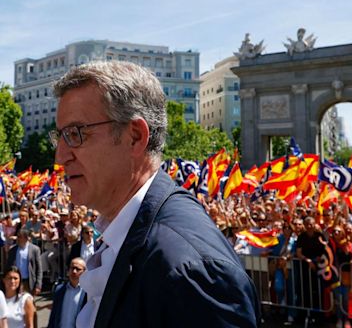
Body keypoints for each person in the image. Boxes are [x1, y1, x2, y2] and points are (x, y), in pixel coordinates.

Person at [50, 61, 259, 327]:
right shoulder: (129, 236)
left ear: (135, 137)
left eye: (76, 134)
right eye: (60, 137)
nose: (60, 157)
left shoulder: (190, 270)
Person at [47, 257, 87, 328]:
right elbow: (53, 315)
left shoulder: (87, 293)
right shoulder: (59, 290)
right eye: (72, 268)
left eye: (78, 269)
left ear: (84, 272)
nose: (74, 271)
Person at [7, 229, 43, 297]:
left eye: (20, 237)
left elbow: (39, 269)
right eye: (18, 236)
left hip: (29, 282)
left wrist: (38, 285)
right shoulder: (12, 250)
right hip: (16, 282)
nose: (18, 239)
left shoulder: (35, 249)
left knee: (29, 304)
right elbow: (8, 267)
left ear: (26, 238)